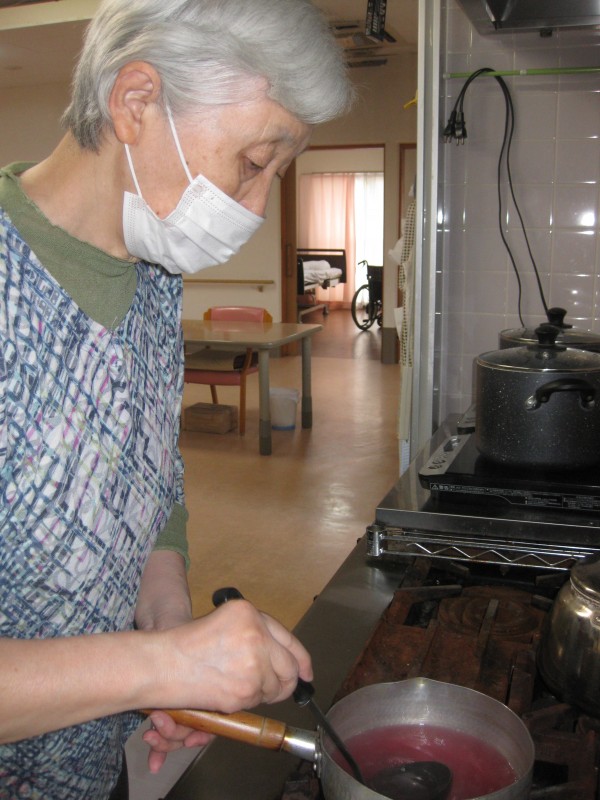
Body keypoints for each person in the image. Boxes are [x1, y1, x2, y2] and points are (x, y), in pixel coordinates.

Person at [0, 0, 354, 797]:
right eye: (252, 161)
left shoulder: (155, 277)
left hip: (92, 769)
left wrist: (170, 637)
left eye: (276, 173)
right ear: (136, 102)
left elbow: (151, 485)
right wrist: (158, 665)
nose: (257, 206)